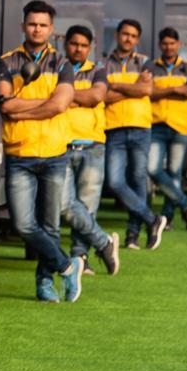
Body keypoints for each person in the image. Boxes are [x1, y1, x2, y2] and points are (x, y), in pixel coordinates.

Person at [0, 0, 84, 303]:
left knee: (51, 226)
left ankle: (45, 284)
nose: (37, 29)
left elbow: (60, 104)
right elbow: (5, 105)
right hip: (19, 154)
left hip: (55, 153)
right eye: (32, 23)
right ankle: (68, 266)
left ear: (51, 30)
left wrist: (22, 111)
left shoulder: (62, 63)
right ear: (23, 26)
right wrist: (41, 107)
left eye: (43, 25)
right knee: (23, 224)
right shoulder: (7, 62)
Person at [97, 18, 168, 252]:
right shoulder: (104, 63)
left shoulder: (146, 62)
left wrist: (116, 87)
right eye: (125, 34)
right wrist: (132, 88)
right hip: (114, 127)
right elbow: (103, 97)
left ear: (137, 39)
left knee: (138, 181)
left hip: (140, 127)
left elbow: (146, 90)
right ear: (117, 35)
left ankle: (133, 235)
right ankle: (152, 219)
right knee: (115, 182)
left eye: (133, 35)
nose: (128, 38)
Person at [59, 26, 120, 276]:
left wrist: (65, 97)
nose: (78, 49)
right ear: (65, 43)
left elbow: (96, 97)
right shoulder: (56, 69)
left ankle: (80, 257)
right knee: (64, 205)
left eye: (83, 45)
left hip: (92, 144)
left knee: (87, 205)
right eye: (74, 44)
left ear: (91, 47)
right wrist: (73, 97)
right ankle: (104, 242)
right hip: (60, 143)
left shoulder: (98, 70)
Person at [147, 28, 187, 232]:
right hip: (156, 123)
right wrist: (176, 89)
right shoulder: (151, 66)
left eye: (172, 43)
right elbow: (149, 93)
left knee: (174, 172)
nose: (169, 47)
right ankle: (186, 204)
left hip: (180, 125)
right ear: (160, 45)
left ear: (179, 45)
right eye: (165, 43)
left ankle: (167, 218)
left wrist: (162, 92)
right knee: (152, 169)